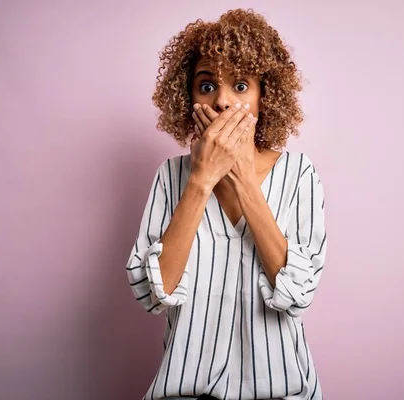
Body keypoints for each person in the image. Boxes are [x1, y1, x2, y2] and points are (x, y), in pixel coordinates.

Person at [126, 8, 327, 400]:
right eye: (206, 86)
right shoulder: (170, 176)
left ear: (263, 95)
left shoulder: (300, 174)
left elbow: (299, 294)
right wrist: (201, 180)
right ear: (187, 98)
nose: (221, 101)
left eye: (239, 85)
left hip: (284, 392)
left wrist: (241, 176)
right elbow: (152, 294)